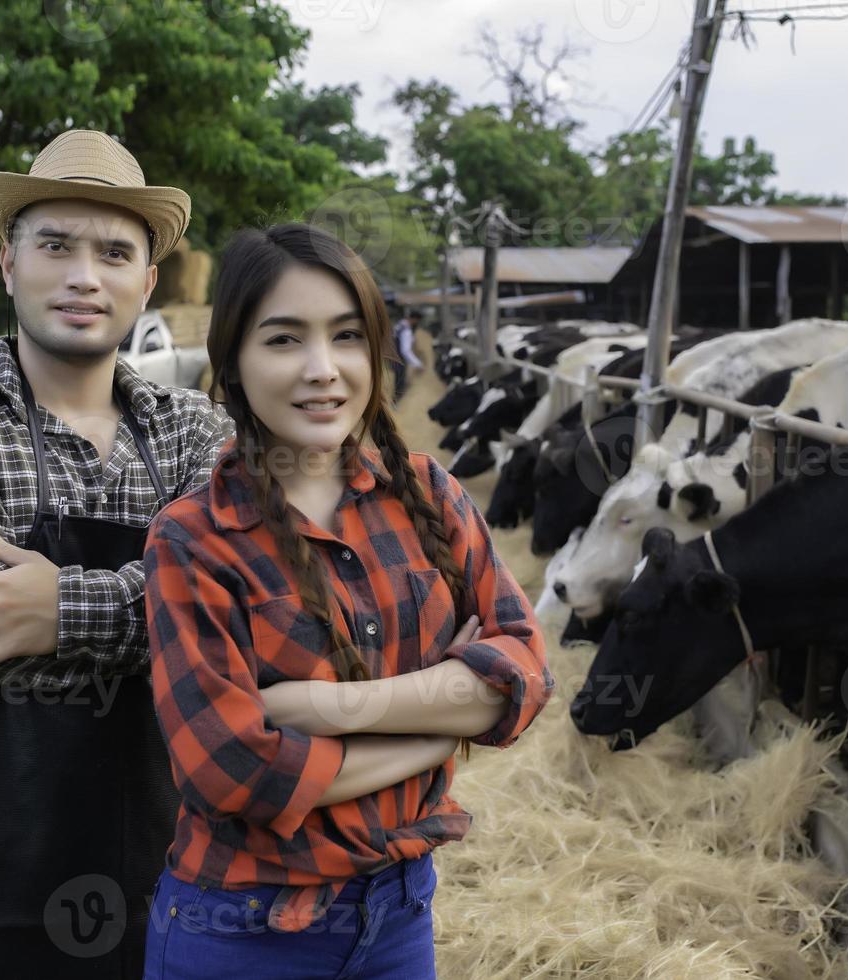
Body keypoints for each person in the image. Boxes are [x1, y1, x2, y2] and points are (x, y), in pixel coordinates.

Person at [0, 129, 234, 978]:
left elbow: (246, 611)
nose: (83, 276)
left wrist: (59, 608)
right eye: (55, 245)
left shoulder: (196, 432)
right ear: (7, 262)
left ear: (146, 282)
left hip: (185, 870)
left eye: (113, 253)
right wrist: (165, 607)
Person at [141, 223, 554, 979]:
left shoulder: (429, 495)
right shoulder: (194, 539)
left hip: (398, 916)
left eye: (346, 336)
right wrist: (436, 729)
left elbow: (523, 673)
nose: (322, 370)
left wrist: (311, 709)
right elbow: (229, 770)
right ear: (231, 360)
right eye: (283, 340)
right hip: (241, 929)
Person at [389, 309, 423, 401]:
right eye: (418, 321)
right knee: (400, 382)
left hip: (392, 355)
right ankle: (398, 403)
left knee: (397, 380)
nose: (417, 323)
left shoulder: (400, 324)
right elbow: (405, 350)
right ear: (415, 319)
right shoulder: (406, 330)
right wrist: (417, 363)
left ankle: (396, 400)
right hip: (399, 357)